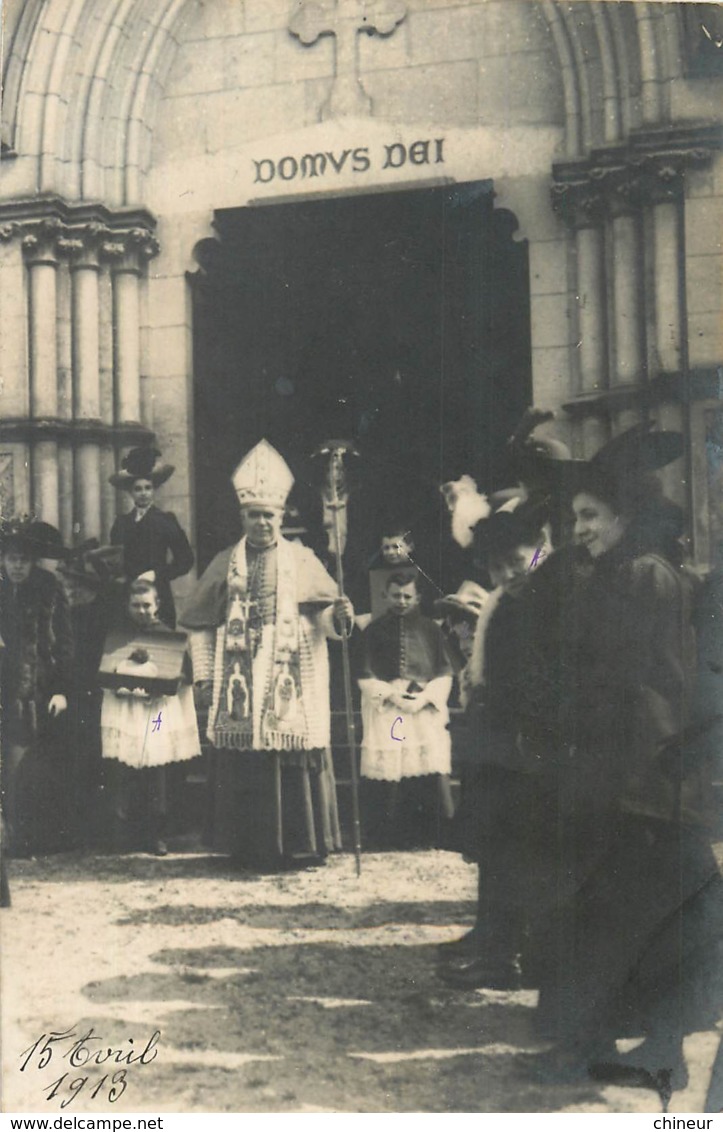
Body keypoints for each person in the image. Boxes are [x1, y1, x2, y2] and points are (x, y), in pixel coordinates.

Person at [518, 426, 723, 1103]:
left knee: (621, 924)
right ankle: (643, 1050)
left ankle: (594, 1054)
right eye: (573, 518)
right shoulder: (624, 572)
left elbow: (647, 684)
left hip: (646, 781)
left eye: (588, 518)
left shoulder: (640, 576)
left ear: (623, 518)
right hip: (645, 779)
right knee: (660, 926)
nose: (577, 530)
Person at [180, 439, 352, 871]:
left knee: (289, 753)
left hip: (294, 669)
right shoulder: (224, 562)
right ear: (243, 517)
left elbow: (329, 626)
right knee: (246, 758)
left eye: (269, 515)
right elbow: (200, 624)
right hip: (240, 674)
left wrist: (340, 615)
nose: (262, 523)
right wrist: (203, 678)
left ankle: (299, 844)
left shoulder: (304, 559)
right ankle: (248, 846)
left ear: (282, 516)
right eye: (254, 515)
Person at [436, 495, 559, 988]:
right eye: (499, 566)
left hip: (528, 746)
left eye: (519, 560)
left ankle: (513, 953)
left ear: (541, 550)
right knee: (498, 849)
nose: (511, 572)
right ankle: (497, 945)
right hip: (500, 744)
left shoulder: (550, 603)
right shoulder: (503, 604)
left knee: (523, 853)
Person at [99, 579, 200, 856]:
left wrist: (170, 678)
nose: (141, 611)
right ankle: (123, 834)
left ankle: (155, 834)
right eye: (136, 605)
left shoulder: (168, 636)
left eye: (146, 605)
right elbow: (105, 672)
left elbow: (185, 675)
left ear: (157, 605)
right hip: (124, 710)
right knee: (123, 769)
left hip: (154, 713)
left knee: (155, 770)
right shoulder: (118, 636)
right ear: (127, 606)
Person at [358, 572, 454, 848]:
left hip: (422, 707)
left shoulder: (431, 630)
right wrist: (390, 694)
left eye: (407, 596)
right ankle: (388, 836)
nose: (401, 601)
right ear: (385, 596)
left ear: (418, 598)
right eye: (396, 595)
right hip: (388, 707)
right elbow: (364, 675)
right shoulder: (373, 630)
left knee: (426, 762)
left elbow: (445, 671)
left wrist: (425, 699)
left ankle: (431, 834)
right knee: (392, 764)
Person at [0, 517, 74, 856]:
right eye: (11, 559)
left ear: (32, 562)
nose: (17, 566)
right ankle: (13, 836)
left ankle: (39, 838)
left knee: (38, 766)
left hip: (42, 691)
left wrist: (61, 690)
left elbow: (64, 644)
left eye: (23, 560)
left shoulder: (48, 588)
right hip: (6, 690)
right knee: (10, 765)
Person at [110, 445, 194, 628]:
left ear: (153, 490)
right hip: (128, 598)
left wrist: (157, 574)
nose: (143, 493)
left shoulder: (166, 521)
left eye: (148, 488)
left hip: (158, 596)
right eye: (138, 489)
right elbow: (115, 561)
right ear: (131, 493)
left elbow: (186, 560)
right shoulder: (121, 523)